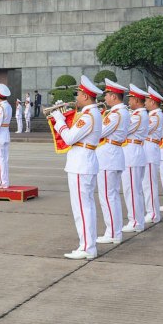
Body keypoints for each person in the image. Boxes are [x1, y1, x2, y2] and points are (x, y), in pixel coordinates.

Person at [50, 75, 103, 260]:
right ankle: (88, 245)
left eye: (79, 93)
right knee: (84, 206)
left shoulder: (88, 116)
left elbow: (70, 138)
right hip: (82, 162)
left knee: (82, 207)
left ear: (86, 96)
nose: (77, 96)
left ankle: (87, 247)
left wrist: (59, 120)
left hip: (81, 164)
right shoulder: (91, 113)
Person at [96, 79, 128, 245]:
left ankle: (113, 232)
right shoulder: (122, 112)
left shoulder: (115, 114)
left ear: (114, 96)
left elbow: (100, 132)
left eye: (107, 95)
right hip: (113, 155)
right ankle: (115, 231)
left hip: (109, 156)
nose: (105, 98)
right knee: (112, 196)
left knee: (108, 197)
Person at [122, 85, 149, 233]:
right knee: (135, 190)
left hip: (133, 153)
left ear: (137, 100)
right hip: (134, 151)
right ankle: (137, 220)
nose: (129, 101)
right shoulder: (138, 114)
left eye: (131, 98)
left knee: (131, 190)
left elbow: (124, 130)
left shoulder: (138, 116)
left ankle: (135, 222)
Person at [143, 88, 163, 225]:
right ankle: (151, 211)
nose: (144, 103)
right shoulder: (153, 115)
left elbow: (144, 129)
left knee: (149, 184)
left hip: (150, 150)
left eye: (146, 100)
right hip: (148, 149)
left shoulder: (155, 116)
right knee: (146, 184)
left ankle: (153, 213)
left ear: (152, 101)